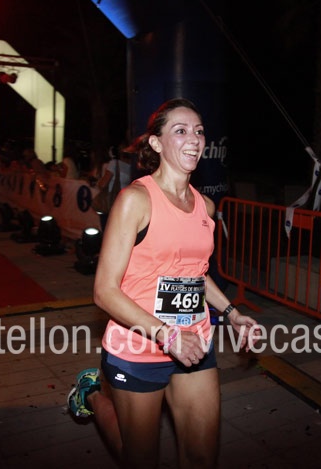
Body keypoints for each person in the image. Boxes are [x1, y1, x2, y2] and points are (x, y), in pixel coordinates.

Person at [66, 98, 262, 468]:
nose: (194, 139)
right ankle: (90, 393)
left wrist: (233, 314)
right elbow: (104, 291)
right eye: (181, 130)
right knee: (140, 458)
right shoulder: (136, 200)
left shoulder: (206, 207)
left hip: (193, 342)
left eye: (199, 131)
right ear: (156, 143)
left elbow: (195, 274)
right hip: (139, 347)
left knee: (202, 457)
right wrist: (165, 334)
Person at [95, 144, 132, 230]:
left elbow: (103, 184)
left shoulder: (114, 163)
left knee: (106, 228)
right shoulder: (131, 167)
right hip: (123, 202)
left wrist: (98, 182)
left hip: (111, 201)